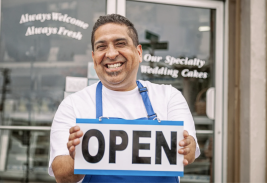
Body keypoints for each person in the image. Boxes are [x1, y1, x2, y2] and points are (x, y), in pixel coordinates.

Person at [48, 14, 200, 183]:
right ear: (94, 57)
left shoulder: (169, 96)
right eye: (102, 47)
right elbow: (61, 175)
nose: (111, 54)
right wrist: (78, 157)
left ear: (139, 52)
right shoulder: (73, 105)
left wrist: (187, 147)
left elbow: (190, 152)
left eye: (120, 44)